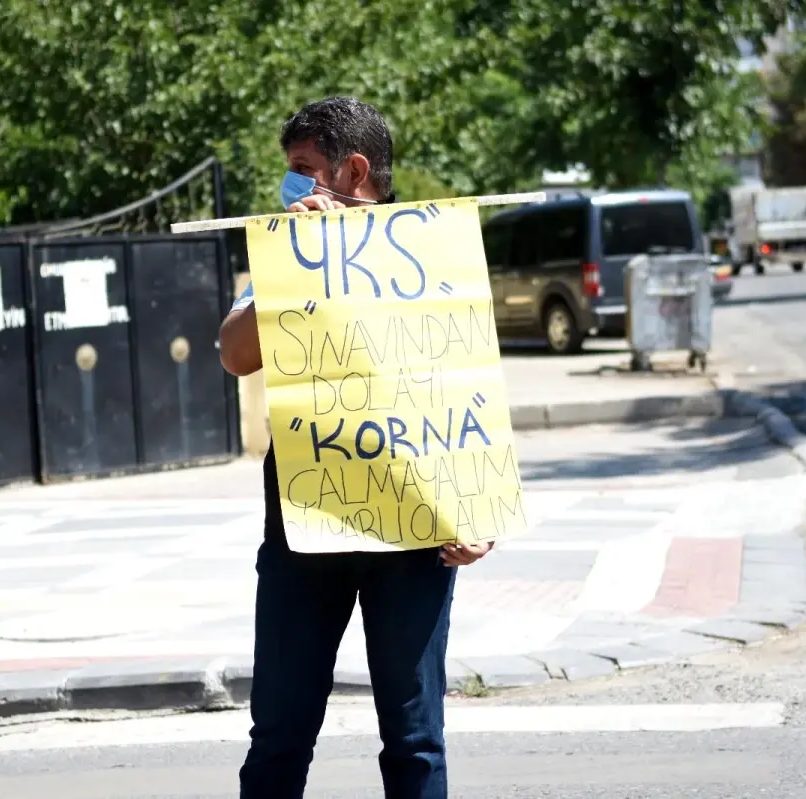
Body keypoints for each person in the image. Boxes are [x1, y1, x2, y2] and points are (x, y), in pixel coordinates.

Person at [218, 96, 494, 799]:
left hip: (413, 537)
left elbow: (466, 390)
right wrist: (292, 264)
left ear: (355, 169)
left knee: (414, 742)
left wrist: (477, 510)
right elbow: (234, 354)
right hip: (304, 533)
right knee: (278, 735)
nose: (291, 185)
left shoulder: (433, 253)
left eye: (303, 169)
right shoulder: (289, 254)